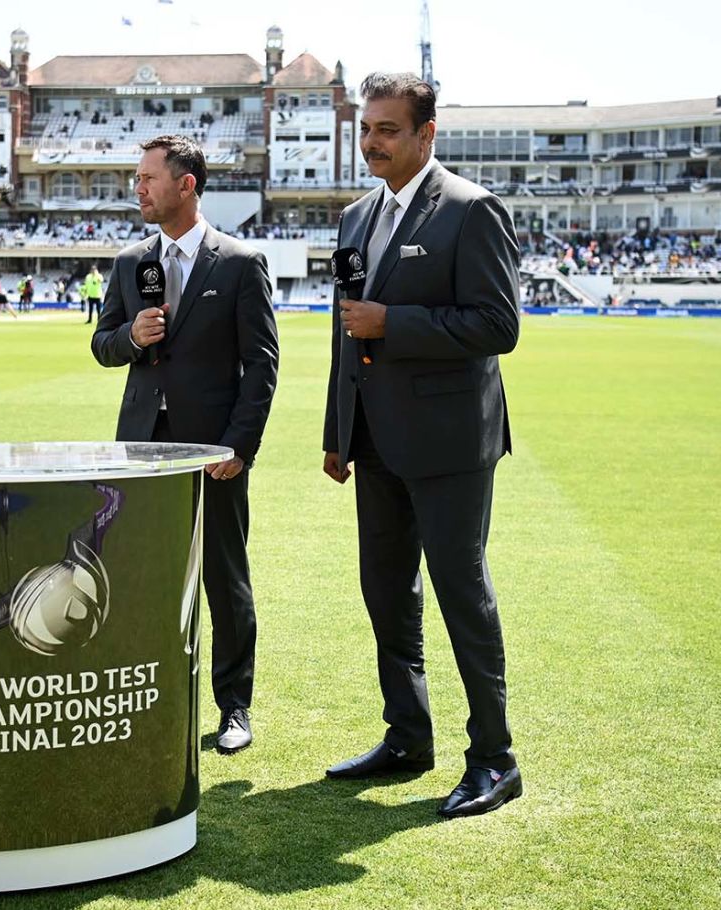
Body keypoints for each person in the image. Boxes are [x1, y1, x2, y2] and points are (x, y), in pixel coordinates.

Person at [321, 73, 522, 819]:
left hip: (448, 443)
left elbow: (498, 326)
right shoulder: (355, 215)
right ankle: (408, 736)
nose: (372, 141)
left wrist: (392, 323)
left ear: (426, 135)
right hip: (372, 441)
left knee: (460, 595)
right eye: (367, 128)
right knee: (386, 594)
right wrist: (337, 432)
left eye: (389, 130)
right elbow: (345, 328)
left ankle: (495, 759)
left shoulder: (472, 211)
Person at [91, 135, 279, 755]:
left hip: (213, 448)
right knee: (145, 572)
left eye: (148, 178)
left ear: (186, 184)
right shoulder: (129, 262)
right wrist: (132, 336)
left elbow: (262, 364)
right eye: (138, 179)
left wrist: (239, 446)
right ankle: (155, 692)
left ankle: (234, 707)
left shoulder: (239, 262)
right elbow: (103, 344)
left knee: (225, 576)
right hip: (142, 448)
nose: (138, 188)